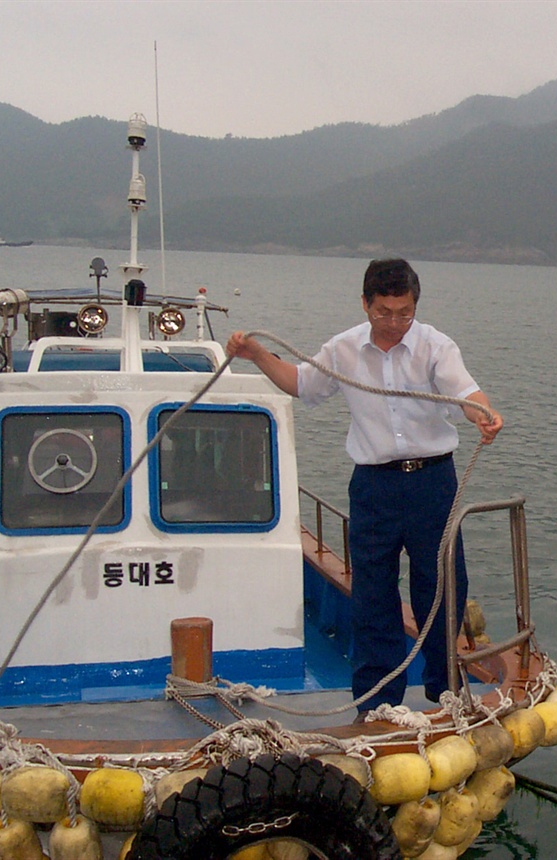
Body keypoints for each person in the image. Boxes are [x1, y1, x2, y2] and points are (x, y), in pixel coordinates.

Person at [226, 258, 502, 710]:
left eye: (404, 312)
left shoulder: (437, 346)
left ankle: (444, 689)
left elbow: (465, 394)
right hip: (374, 486)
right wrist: (258, 355)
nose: (394, 323)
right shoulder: (343, 349)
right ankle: (376, 701)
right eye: (384, 312)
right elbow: (301, 384)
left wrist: (484, 416)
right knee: (373, 592)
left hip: (433, 482)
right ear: (365, 304)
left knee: (442, 586)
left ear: (415, 305)